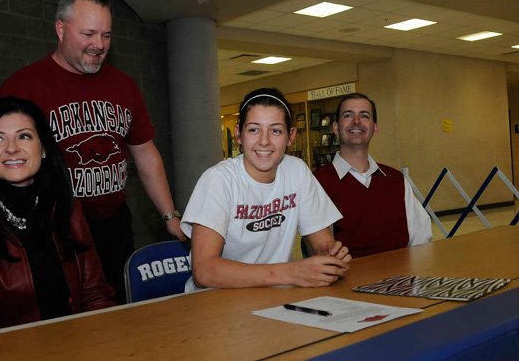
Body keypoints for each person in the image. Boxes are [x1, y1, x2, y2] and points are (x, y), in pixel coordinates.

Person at [0, 0, 185, 304]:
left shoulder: (123, 85)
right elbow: (1, 163)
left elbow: (145, 155)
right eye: (89, 33)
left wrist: (170, 216)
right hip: (52, 230)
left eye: (107, 35)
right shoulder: (22, 88)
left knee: (116, 312)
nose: (99, 45)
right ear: (60, 28)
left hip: (112, 226)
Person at [0, 97, 115, 337]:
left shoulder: (67, 208)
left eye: (24, 136)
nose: (12, 148)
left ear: (43, 148)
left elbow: (96, 296)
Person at [180, 88, 351, 292]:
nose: (264, 141)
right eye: (254, 129)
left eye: (276, 130)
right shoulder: (218, 180)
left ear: (291, 136)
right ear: (238, 134)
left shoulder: (297, 171)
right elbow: (204, 271)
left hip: (275, 300)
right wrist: (290, 272)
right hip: (217, 303)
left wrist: (330, 256)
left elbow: (322, 243)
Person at [313, 93, 432, 257]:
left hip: (403, 279)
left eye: (364, 116)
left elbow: (421, 241)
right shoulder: (317, 182)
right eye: (348, 115)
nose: (356, 121)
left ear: (375, 128)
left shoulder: (396, 180)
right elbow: (322, 253)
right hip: (349, 280)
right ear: (335, 127)